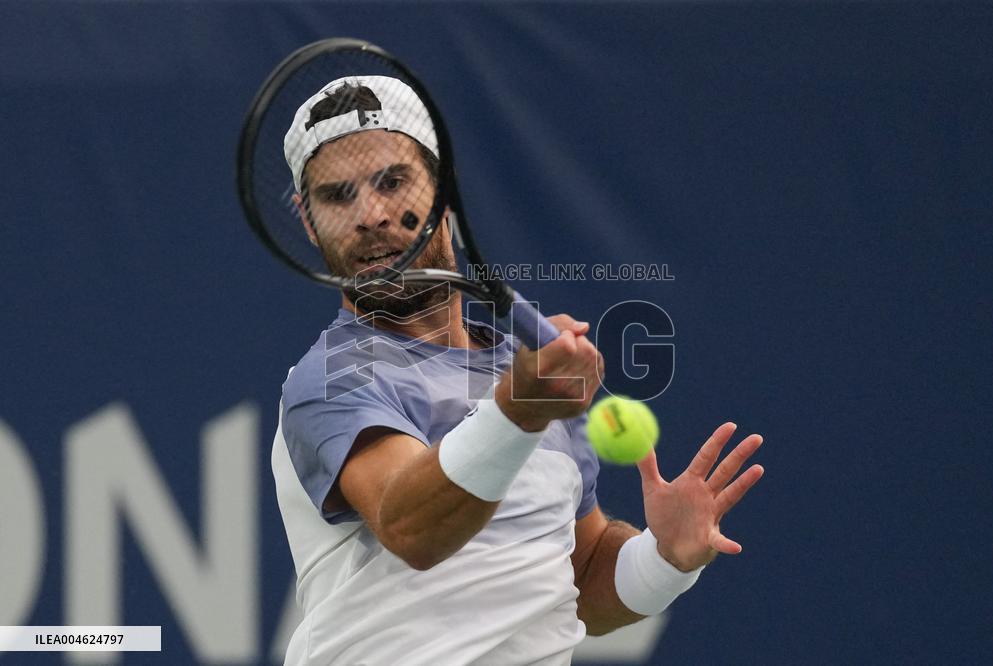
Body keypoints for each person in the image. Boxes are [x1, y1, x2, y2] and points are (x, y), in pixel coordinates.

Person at [271, 76, 765, 665]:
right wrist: (518, 410)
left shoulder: (526, 376)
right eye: (338, 196)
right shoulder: (334, 376)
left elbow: (580, 577)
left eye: (393, 182)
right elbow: (412, 530)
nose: (371, 215)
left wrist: (663, 560)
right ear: (309, 221)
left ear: (444, 190)